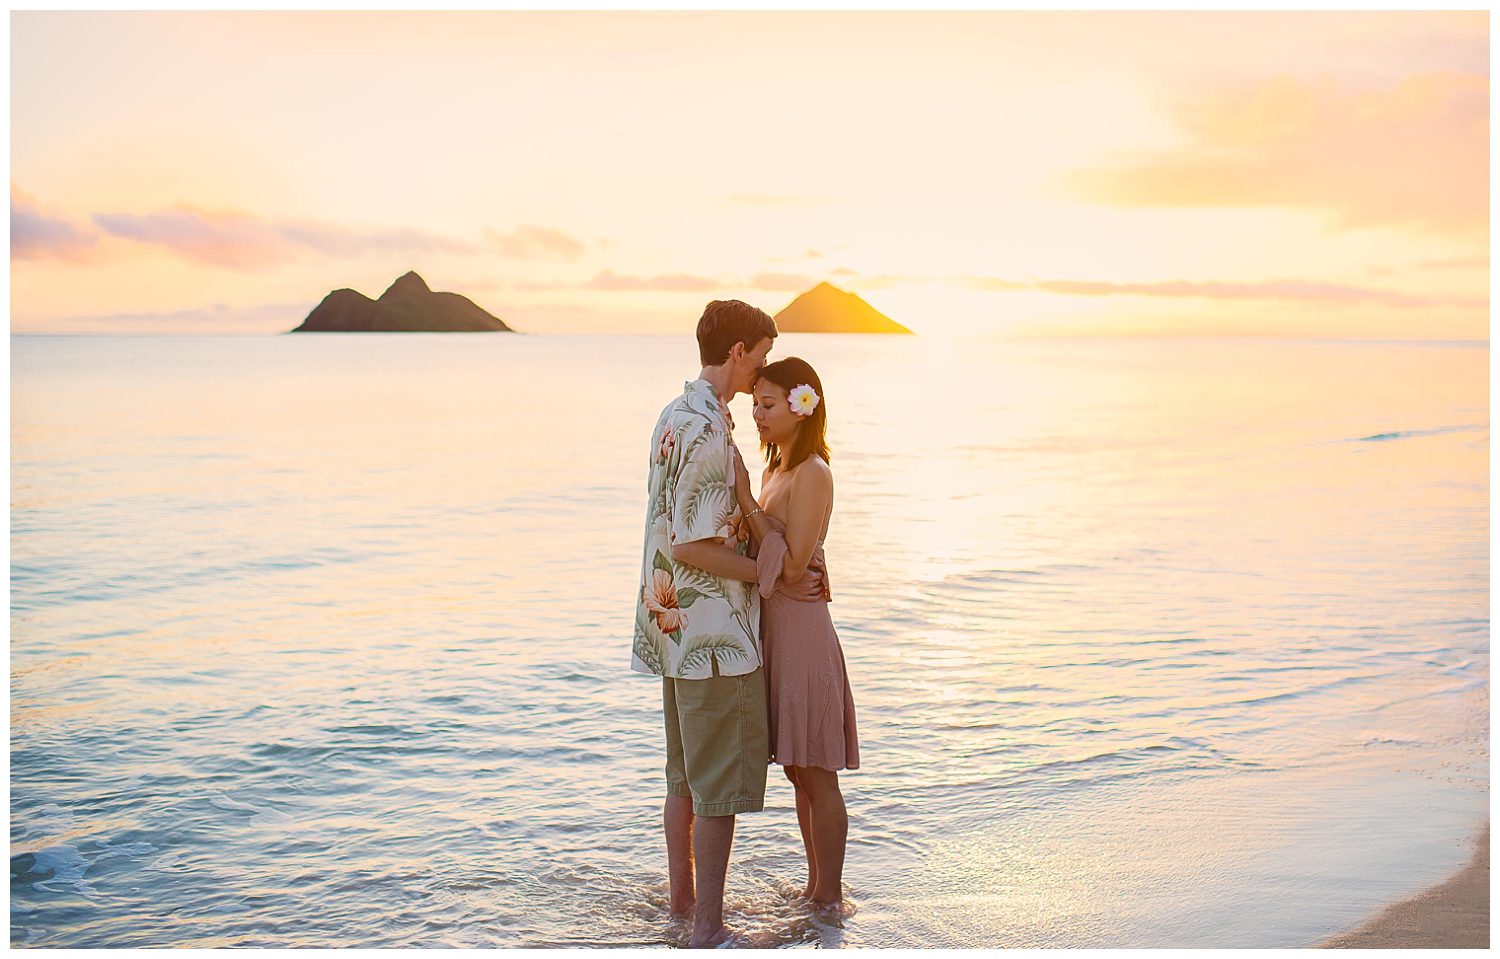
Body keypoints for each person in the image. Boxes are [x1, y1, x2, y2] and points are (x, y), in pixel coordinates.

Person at [632, 300, 828, 948]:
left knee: (684, 779)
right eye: (762, 356)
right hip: (714, 637)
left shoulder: (674, 414)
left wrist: (755, 521)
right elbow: (693, 544)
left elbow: (674, 528)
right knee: (715, 790)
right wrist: (769, 573)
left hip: (672, 629)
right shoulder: (711, 431)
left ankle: (683, 906)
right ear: (739, 351)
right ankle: (708, 929)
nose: (762, 372)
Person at [731, 357, 859, 914]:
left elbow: (792, 565)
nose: (756, 414)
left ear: (802, 406)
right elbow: (779, 556)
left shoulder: (811, 473)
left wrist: (746, 502)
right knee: (796, 770)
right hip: (775, 631)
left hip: (803, 632)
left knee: (817, 769)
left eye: (767, 404)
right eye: (753, 403)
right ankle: (815, 890)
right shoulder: (777, 469)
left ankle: (829, 897)